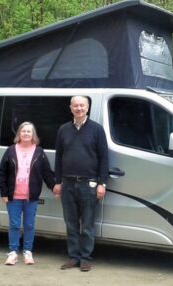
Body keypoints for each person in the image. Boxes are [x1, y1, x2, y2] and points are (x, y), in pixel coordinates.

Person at [52, 96, 109, 272]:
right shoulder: (63, 130)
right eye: (75, 105)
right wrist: (58, 182)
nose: (79, 108)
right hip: (67, 184)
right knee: (71, 224)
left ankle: (85, 258)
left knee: (87, 225)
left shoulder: (97, 130)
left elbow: (104, 159)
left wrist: (102, 184)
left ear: (88, 107)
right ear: (70, 108)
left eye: (82, 105)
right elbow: (59, 157)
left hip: (89, 185)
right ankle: (73, 258)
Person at [0, 121, 56, 265]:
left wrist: (54, 187)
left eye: (29, 131)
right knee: (14, 225)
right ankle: (12, 253)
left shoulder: (39, 152)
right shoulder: (11, 150)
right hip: (13, 196)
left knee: (29, 225)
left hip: (31, 197)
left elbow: (46, 173)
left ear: (33, 135)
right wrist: (3, 193)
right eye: (23, 131)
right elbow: (2, 172)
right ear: (19, 134)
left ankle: (28, 252)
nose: (26, 134)